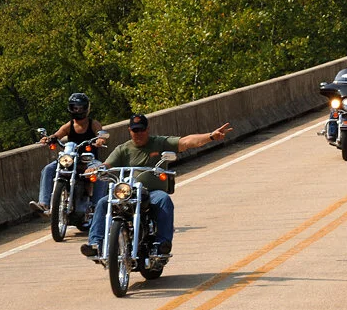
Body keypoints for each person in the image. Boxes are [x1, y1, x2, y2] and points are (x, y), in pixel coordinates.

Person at [81, 113, 232, 259]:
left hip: (152, 192)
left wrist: (211, 136)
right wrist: (96, 168)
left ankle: (162, 243)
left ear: (147, 129)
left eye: (141, 129)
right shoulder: (123, 149)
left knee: (164, 199)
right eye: (135, 130)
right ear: (129, 131)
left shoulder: (159, 143)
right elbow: (107, 164)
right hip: (128, 192)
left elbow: (186, 142)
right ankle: (95, 244)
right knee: (103, 202)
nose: (138, 133)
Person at [30, 92, 106, 215]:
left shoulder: (93, 124)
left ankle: (96, 206)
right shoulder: (69, 125)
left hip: (89, 161)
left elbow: (101, 133)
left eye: (80, 107)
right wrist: (49, 139)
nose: (77, 110)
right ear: (70, 108)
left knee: (101, 172)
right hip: (70, 159)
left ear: (86, 108)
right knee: (48, 169)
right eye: (74, 107)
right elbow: (57, 134)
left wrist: (100, 139)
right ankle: (44, 203)